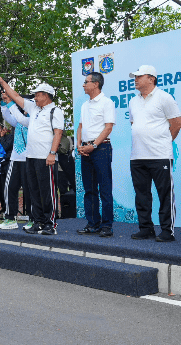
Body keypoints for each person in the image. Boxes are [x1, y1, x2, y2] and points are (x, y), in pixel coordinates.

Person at [0, 77, 64, 236]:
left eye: (38, 94)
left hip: (46, 158)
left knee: (48, 192)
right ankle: (38, 222)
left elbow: (58, 133)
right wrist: (3, 83)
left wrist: (52, 153)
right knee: (34, 192)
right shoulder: (34, 109)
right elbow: (16, 97)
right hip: (31, 157)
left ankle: (50, 223)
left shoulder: (55, 111)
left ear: (46, 95)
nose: (34, 97)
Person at [126, 65, 181, 242]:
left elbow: (177, 123)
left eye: (139, 76)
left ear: (151, 79)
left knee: (165, 194)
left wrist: (165, 141)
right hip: (137, 156)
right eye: (135, 77)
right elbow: (134, 124)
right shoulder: (133, 101)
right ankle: (146, 228)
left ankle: (167, 231)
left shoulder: (164, 97)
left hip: (160, 155)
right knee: (141, 195)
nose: (135, 79)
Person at [76, 71, 116, 237]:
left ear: (96, 84)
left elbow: (108, 128)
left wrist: (93, 145)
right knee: (89, 189)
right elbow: (80, 127)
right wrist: (79, 145)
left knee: (104, 189)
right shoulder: (85, 105)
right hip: (85, 150)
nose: (84, 85)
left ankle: (107, 226)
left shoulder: (107, 103)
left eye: (86, 82)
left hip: (101, 149)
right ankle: (93, 223)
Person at [0, 93, 32, 230]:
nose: (24, 106)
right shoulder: (18, 120)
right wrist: (4, 102)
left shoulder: (33, 120)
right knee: (10, 188)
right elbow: (7, 116)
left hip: (29, 159)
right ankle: (10, 218)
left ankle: (32, 218)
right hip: (15, 158)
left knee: (30, 191)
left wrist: (11, 102)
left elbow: (19, 117)